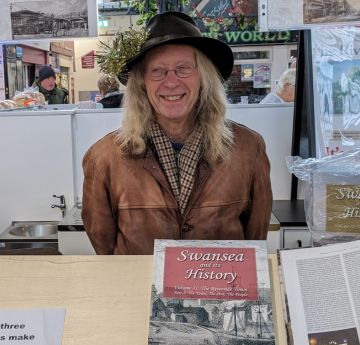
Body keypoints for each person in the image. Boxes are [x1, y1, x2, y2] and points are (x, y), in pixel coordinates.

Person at [81, 11, 272, 255]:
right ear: (142, 84)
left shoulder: (248, 149)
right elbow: (104, 244)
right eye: (157, 71)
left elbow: (255, 240)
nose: (171, 82)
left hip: (221, 290)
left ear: (204, 78)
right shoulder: (104, 158)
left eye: (183, 68)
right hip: (138, 291)